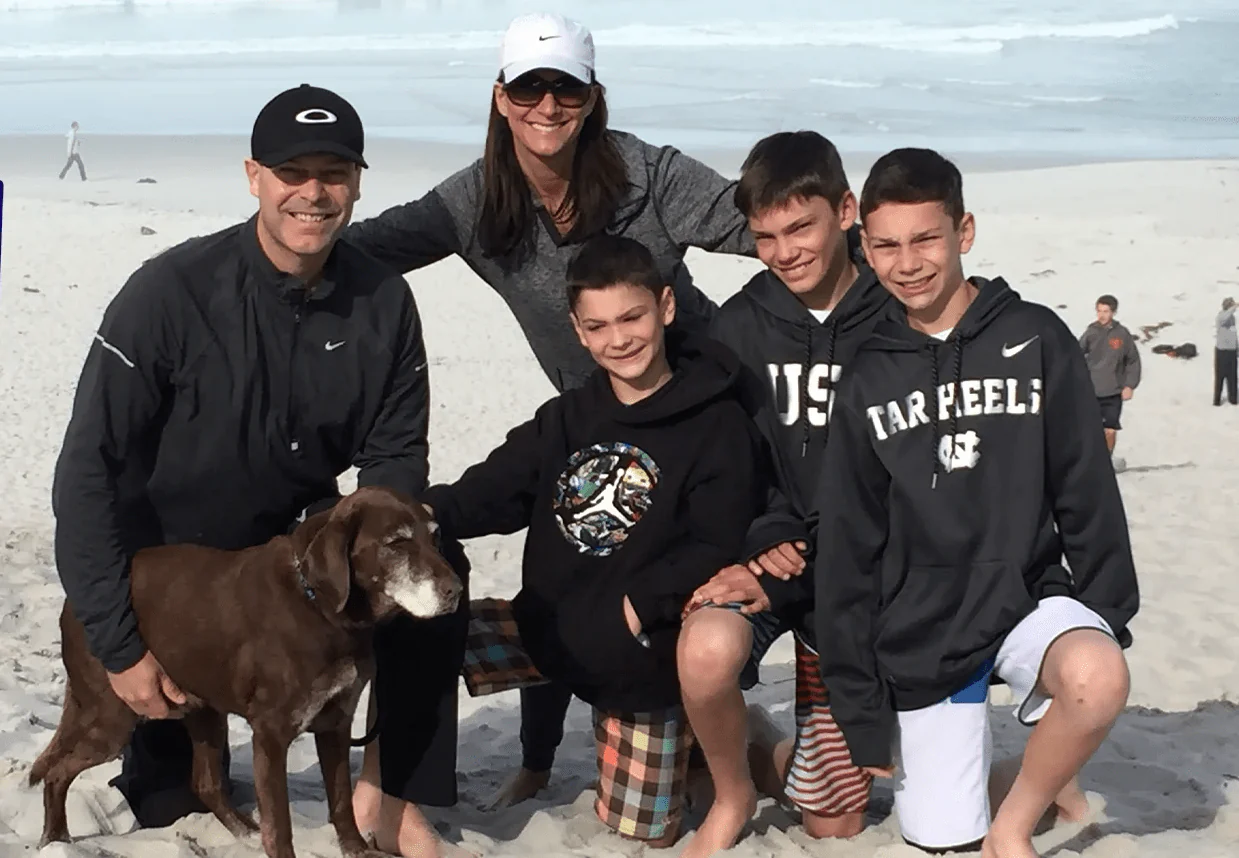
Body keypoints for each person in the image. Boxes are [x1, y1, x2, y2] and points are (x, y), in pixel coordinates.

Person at [343, 10, 757, 821]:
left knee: (650, 596)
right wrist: (248, 260)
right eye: (529, 85)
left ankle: (724, 737)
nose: (546, 103)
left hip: (695, 417)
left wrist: (868, 247)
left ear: (590, 96)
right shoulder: (474, 201)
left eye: (564, 86)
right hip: (584, 420)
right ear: (500, 97)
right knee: (554, 568)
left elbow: (765, 229)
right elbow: (366, 250)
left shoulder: (648, 174)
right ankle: (499, 771)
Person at [50, 83, 463, 858]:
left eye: (333, 174)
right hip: (176, 573)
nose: (313, 193)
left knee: (436, 567)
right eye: (291, 172)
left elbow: (395, 460)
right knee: (172, 796)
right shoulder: (167, 293)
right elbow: (86, 474)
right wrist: (119, 646)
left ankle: (392, 790)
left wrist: (359, 577)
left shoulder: (383, 302)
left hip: (290, 558)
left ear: (359, 182)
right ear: (253, 176)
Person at [814, 147, 1139, 857]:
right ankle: (1014, 786)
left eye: (925, 238)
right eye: (886, 245)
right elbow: (847, 542)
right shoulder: (867, 372)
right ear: (863, 247)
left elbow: (1082, 483)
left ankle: (1015, 827)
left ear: (962, 231)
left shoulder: (1034, 335)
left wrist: (1107, 612)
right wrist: (859, 707)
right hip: (924, 631)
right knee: (941, 837)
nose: (907, 263)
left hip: (1024, 599)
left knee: (1096, 676)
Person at [419, 234, 767, 847]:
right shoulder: (567, 418)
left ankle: (732, 740)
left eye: (632, 317)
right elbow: (491, 490)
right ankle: (404, 791)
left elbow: (715, 543)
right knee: (413, 628)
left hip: (639, 655)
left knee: (639, 830)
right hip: (546, 630)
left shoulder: (717, 423)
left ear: (665, 307)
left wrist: (639, 608)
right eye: (599, 326)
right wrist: (421, 513)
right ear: (579, 332)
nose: (619, 339)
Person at [671, 130, 893, 858]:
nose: (784, 250)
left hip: (859, 583)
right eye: (764, 236)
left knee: (834, 825)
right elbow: (726, 466)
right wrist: (760, 547)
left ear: (846, 210)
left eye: (800, 227)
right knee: (705, 650)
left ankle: (816, 758)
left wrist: (816, 553)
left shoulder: (900, 319)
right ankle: (736, 790)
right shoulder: (738, 326)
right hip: (770, 564)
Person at [1078, 294, 1141, 464]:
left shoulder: (1122, 334)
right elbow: (1076, 354)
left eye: (1105, 311)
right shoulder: (1091, 332)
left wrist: (1130, 385)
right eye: (1099, 311)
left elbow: (1133, 360)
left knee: (1110, 430)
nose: (1101, 315)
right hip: (1091, 390)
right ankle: (1089, 462)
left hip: (1113, 391)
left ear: (1113, 312)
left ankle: (1106, 462)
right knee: (1090, 430)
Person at [1214, 297, 1237, 405]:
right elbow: (1225, 317)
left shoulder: (1232, 318)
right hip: (1222, 352)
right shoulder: (1221, 316)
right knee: (1220, 377)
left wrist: (1237, 347)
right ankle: (1217, 400)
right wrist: (1233, 307)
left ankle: (1233, 399)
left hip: (1232, 351)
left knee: (1232, 377)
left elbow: (1233, 333)